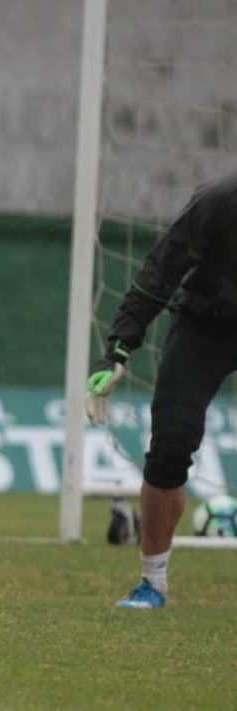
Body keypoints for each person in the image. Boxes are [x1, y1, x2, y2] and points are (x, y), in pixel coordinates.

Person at [85, 170, 237, 609]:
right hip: (204, 325)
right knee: (170, 444)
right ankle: (152, 582)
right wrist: (117, 350)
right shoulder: (218, 200)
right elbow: (160, 270)